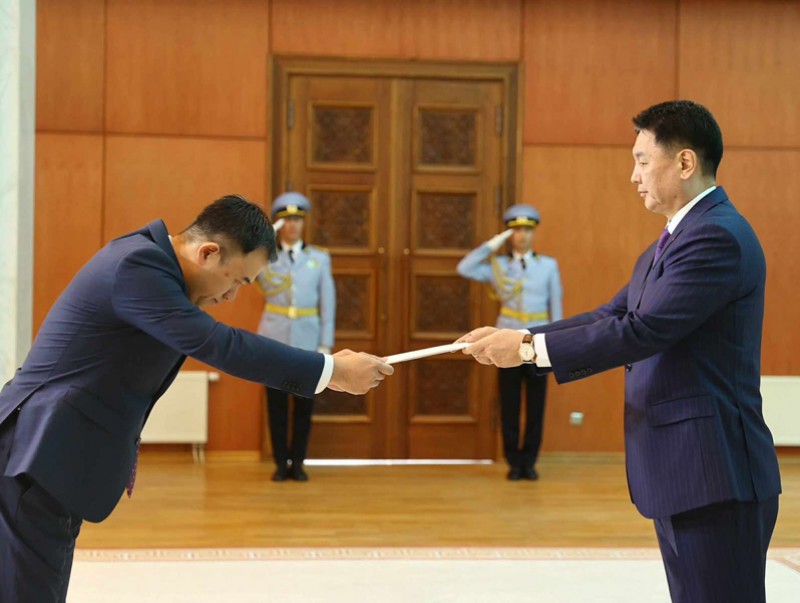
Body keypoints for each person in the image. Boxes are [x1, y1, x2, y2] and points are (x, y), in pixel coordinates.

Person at [459, 100, 781, 603]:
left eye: (642, 160)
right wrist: (519, 337)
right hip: (686, 471)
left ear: (685, 162)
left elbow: (644, 329)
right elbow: (610, 314)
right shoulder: (676, 238)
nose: (633, 176)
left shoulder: (714, 236)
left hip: (714, 471)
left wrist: (527, 350)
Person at [0, 194, 393, 603]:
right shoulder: (138, 266)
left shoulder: (151, 263)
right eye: (237, 280)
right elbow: (221, 344)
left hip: (51, 455)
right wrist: (331, 371)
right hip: (35, 453)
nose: (232, 296)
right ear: (208, 253)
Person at [457, 204, 562, 481]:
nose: (522, 235)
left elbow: (556, 307)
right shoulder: (499, 266)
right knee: (510, 402)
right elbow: (465, 267)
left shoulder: (548, 266)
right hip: (505, 342)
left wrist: (557, 344)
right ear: (508, 234)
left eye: (527, 230)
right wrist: (493, 244)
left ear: (534, 233)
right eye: (516, 230)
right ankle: (514, 462)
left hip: (538, 342)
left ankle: (530, 461)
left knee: (536, 405)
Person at [256, 192, 335, 482]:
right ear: (279, 223)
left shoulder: (319, 258)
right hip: (274, 338)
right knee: (276, 406)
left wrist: (325, 342)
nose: (292, 225)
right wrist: (265, 237)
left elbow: (328, 302)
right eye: (286, 219)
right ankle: (280, 463)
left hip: (307, 340)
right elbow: (250, 273)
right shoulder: (266, 257)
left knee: (304, 406)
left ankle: (298, 462)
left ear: (304, 223)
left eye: (297, 219)